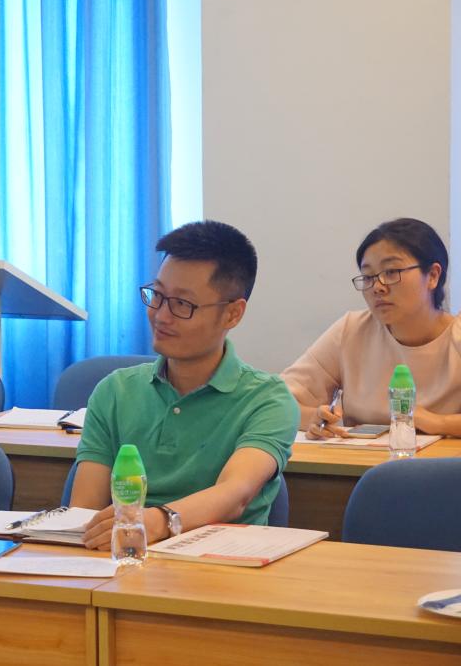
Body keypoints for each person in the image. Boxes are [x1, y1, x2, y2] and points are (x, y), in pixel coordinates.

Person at [71, 221, 298, 549]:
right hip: (124, 562)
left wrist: (158, 521)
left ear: (233, 314)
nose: (161, 316)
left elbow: (235, 493)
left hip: (224, 567)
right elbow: (84, 510)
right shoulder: (115, 392)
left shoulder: (267, 400)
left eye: (182, 304)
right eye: (157, 296)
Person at [282, 218, 461, 438]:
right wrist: (315, 419)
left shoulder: (457, 336)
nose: (377, 287)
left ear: (432, 276)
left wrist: (440, 423)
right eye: (368, 277)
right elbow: (276, 401)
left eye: (391, 272)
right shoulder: (351, 330)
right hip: (359, 458)